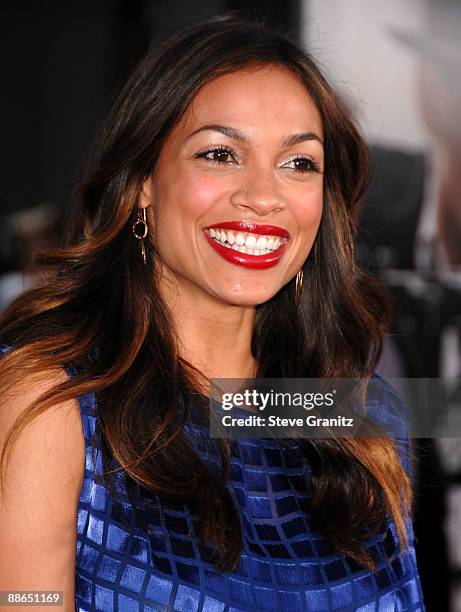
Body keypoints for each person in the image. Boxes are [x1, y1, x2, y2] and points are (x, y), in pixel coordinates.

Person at [0, 15, 425, 612]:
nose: (263, 195)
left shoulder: (357, 412)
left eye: (299, 163)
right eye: (221, 154)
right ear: (144, 180)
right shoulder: (54, 400)